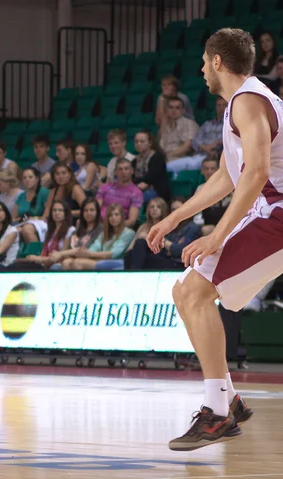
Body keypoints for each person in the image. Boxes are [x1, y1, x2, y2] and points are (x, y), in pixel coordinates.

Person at [147, 28, 283, 452]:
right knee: (186, 291)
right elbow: (227, 177)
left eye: (205, 62)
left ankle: (218, 413)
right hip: (268, 211)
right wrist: (174, 217)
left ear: (218, 62)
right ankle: (227, 399)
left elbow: (257, 173)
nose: (202, 69)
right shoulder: (240, 104)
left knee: (194, 293)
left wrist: (216, 235)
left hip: (277, 214)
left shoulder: (248, 101)